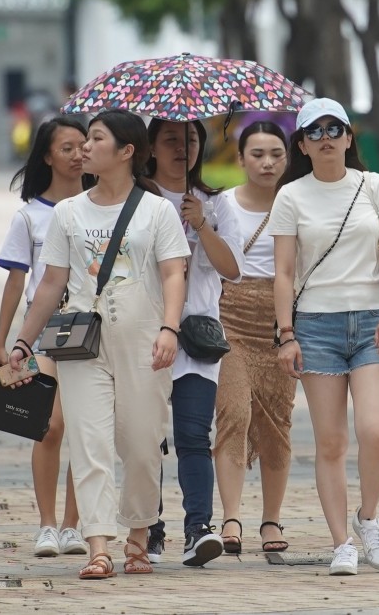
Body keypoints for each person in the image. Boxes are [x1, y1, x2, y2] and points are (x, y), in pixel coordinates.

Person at [7, 109, 190, 579]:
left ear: (126, 151)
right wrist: (24, 342)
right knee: (89, 442)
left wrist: (170, 329)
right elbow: (50, 283)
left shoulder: (157, 210)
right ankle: (99, 547)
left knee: (143, 445)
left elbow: (174, 273)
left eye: (96, 139)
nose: (84, 148)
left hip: (145, 342)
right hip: (81, 343)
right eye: (85, 139)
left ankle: (137, 535)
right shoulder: (68, 213)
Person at [268, 98, 379, 576]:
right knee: (330, 441)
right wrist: (286, 334)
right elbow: (283, 272)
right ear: (303, 145)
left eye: (335, 128)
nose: (326, 137)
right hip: (316, 325)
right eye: (315, 131)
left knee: (375, 431)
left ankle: (369, 518)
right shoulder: (291, 197)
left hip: (373, 322)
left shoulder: (375, 187)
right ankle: (341, 542)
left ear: (350, 138)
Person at [0, 116, 94, 557]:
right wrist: (4, 343)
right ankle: (48, 525)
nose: (76, 155)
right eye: (66, 147)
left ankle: (74, 524)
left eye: (82, 146)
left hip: (92, 326)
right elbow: (17, 282)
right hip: (45, 327)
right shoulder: (29, 215)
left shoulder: (101, 206)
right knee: (49, 425)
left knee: (86, 430)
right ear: (47, 155)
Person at [144, 118, 244, 567]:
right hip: (144, 334)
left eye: (190, 140)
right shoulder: (135, 202)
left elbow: (232, 269)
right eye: (170, 140)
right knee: (144, 437)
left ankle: (198, 529)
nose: (182, 148)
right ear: (149, 148)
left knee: (192, 435)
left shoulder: (217, 204)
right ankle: (149, 524)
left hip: (198, 339)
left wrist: (202, 225)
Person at [213, 120, 296, 555]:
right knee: (232, 412)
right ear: (241, 158)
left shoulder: (298, 201)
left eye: (276, 154)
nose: (267, 163)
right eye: (258, 154)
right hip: (231, 320)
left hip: (282, 323)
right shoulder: (222, 205)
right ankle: (230, 517)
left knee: (277, 424)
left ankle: (271, 521)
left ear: (287, 157)